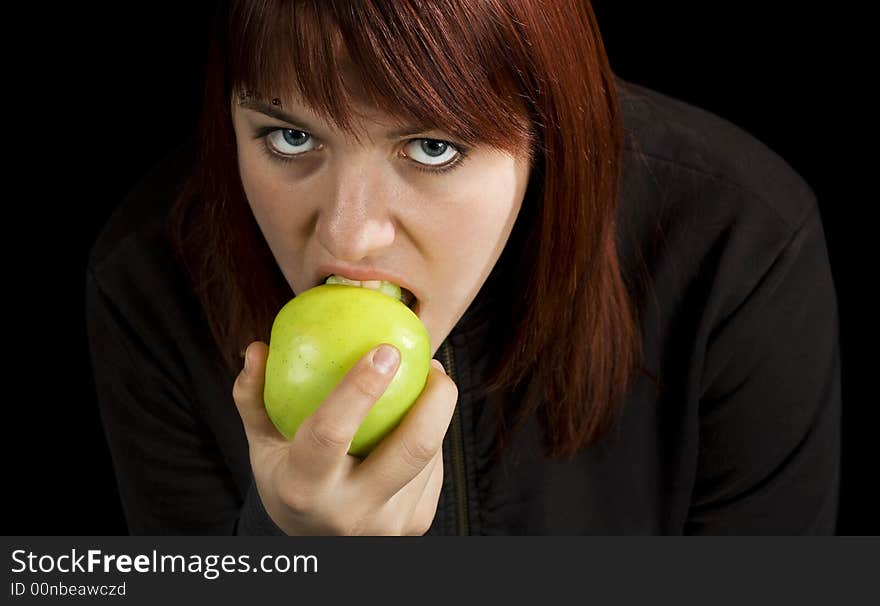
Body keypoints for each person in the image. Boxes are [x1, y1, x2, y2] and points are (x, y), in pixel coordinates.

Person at [85, 0, 841, 535]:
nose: (349, 233)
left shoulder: (742, 248)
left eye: (432, 147)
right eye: (288, 136)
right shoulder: (150, 281)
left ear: (548, 132)